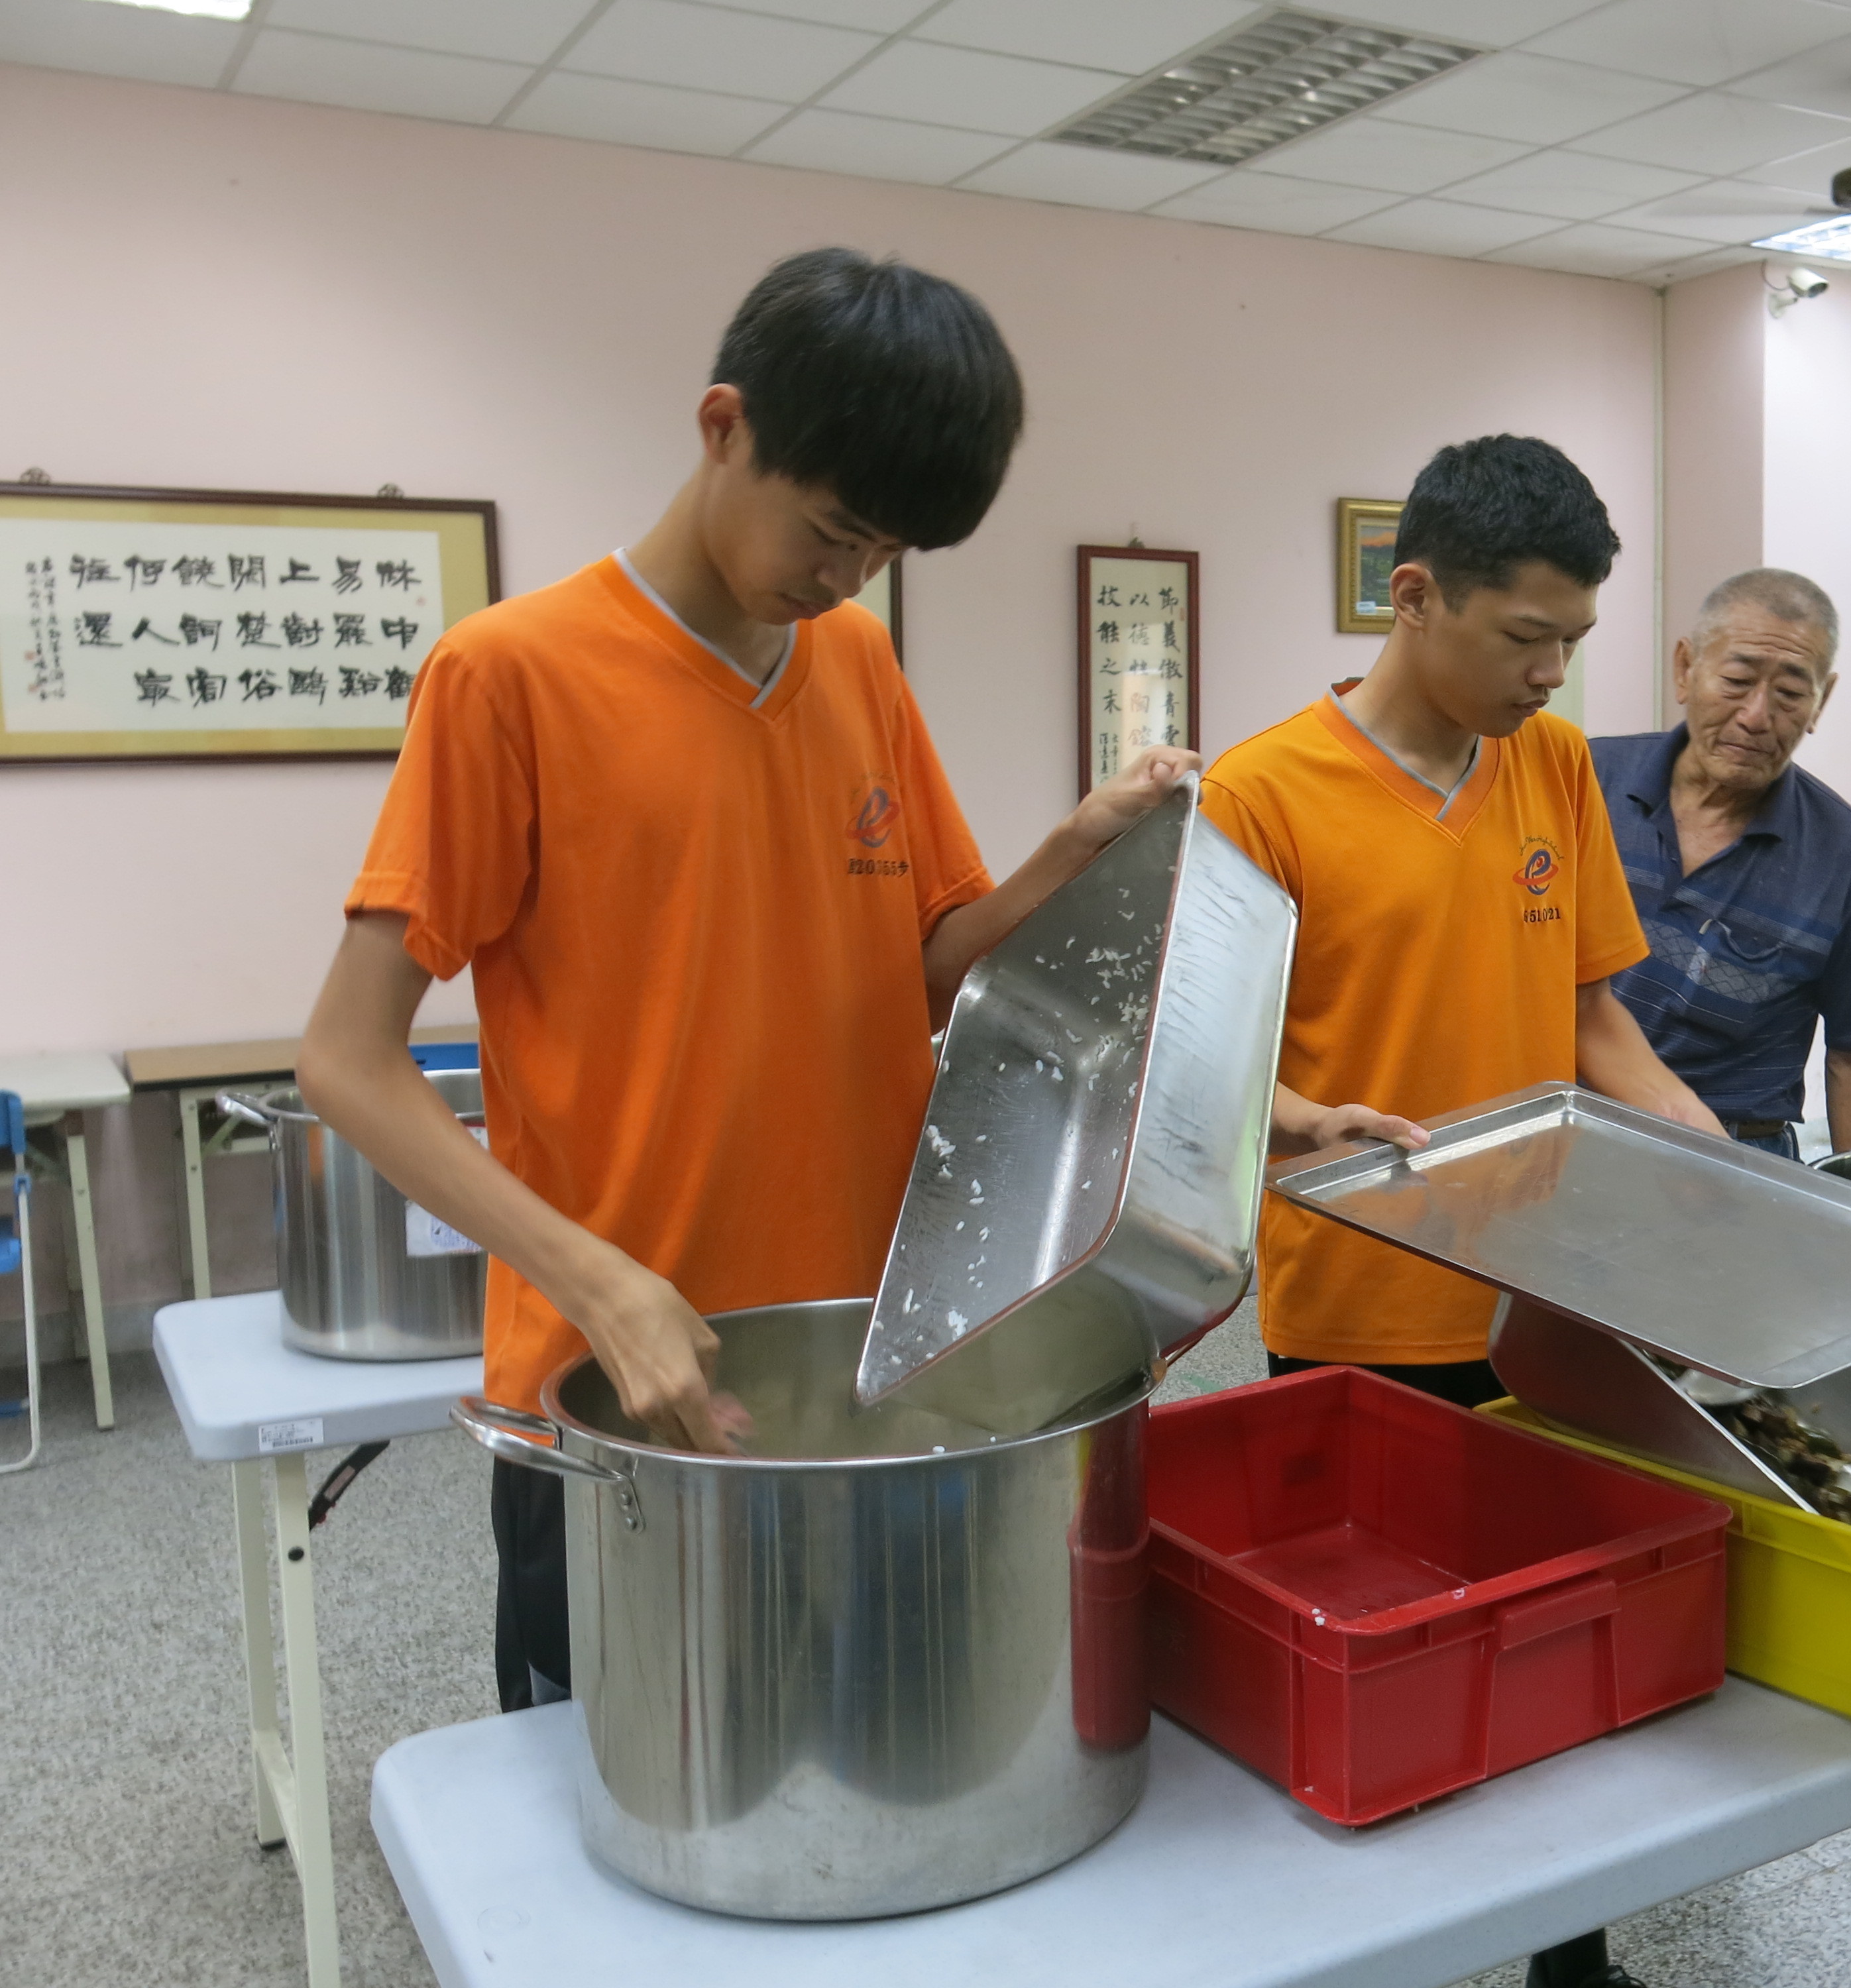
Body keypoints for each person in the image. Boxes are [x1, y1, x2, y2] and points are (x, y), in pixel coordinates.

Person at [296, 248, 1192, 1714]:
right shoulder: (509, 676)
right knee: (635, 1821)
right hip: (630, 1398)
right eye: (833, 530)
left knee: (865, 1781)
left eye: (886, 555)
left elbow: (917, 981)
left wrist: (1074, 847)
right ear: (722, 428)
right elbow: (343, 1058)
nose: (846, 580)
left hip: (867, 1366)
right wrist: (596, 1284)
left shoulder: (854, 668)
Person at [1201, 434, 1718, 1988]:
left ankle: (1573, 1957)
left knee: (1561, 1645)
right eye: (1523, 638)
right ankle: (1377, 1945)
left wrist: (1731, 1174)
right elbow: (1205, 1069)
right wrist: (1301, 1124)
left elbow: (1593, 1023)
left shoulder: (1546, 764)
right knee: (1388, 1660)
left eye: (1570, 642)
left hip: (1544, 1290)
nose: (1551, 674)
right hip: (1359, 1305)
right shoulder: (1259, 794)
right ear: (1411, 593)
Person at [1590, 569, 1851, 1158]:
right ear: (1685, 669)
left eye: (1791, 694)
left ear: (1823, 700)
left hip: (1732, 1165)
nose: (1757, 716)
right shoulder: (1585, 782)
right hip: (1566, 1134)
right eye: (1736, 681)